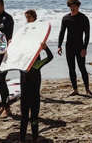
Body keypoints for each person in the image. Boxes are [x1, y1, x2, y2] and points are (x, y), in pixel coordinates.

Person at [20, 9, 54, 143]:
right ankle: (22, 139)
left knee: (34, 117)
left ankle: (34, 138)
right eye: (26, 17)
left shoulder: (39, 29)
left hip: (35, 58)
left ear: (34, 17)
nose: (27, 19)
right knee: (25, 117)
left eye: (29, 17)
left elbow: (50, 57)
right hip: (26, 91)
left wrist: (45, 47)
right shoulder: (22, 66)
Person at [58, 0, 92, 96]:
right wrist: (59, 46)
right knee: (71, 68)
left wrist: (84, 48)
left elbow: (87, 35)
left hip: (79, 46)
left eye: (74, 6)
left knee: (82, 68)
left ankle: (87, 89)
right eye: (70, 7)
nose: (72, 8)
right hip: (69, 46)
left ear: (78, 6)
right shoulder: (66, 18)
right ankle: (75, 89)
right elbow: (62, 33)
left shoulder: (83, 18)